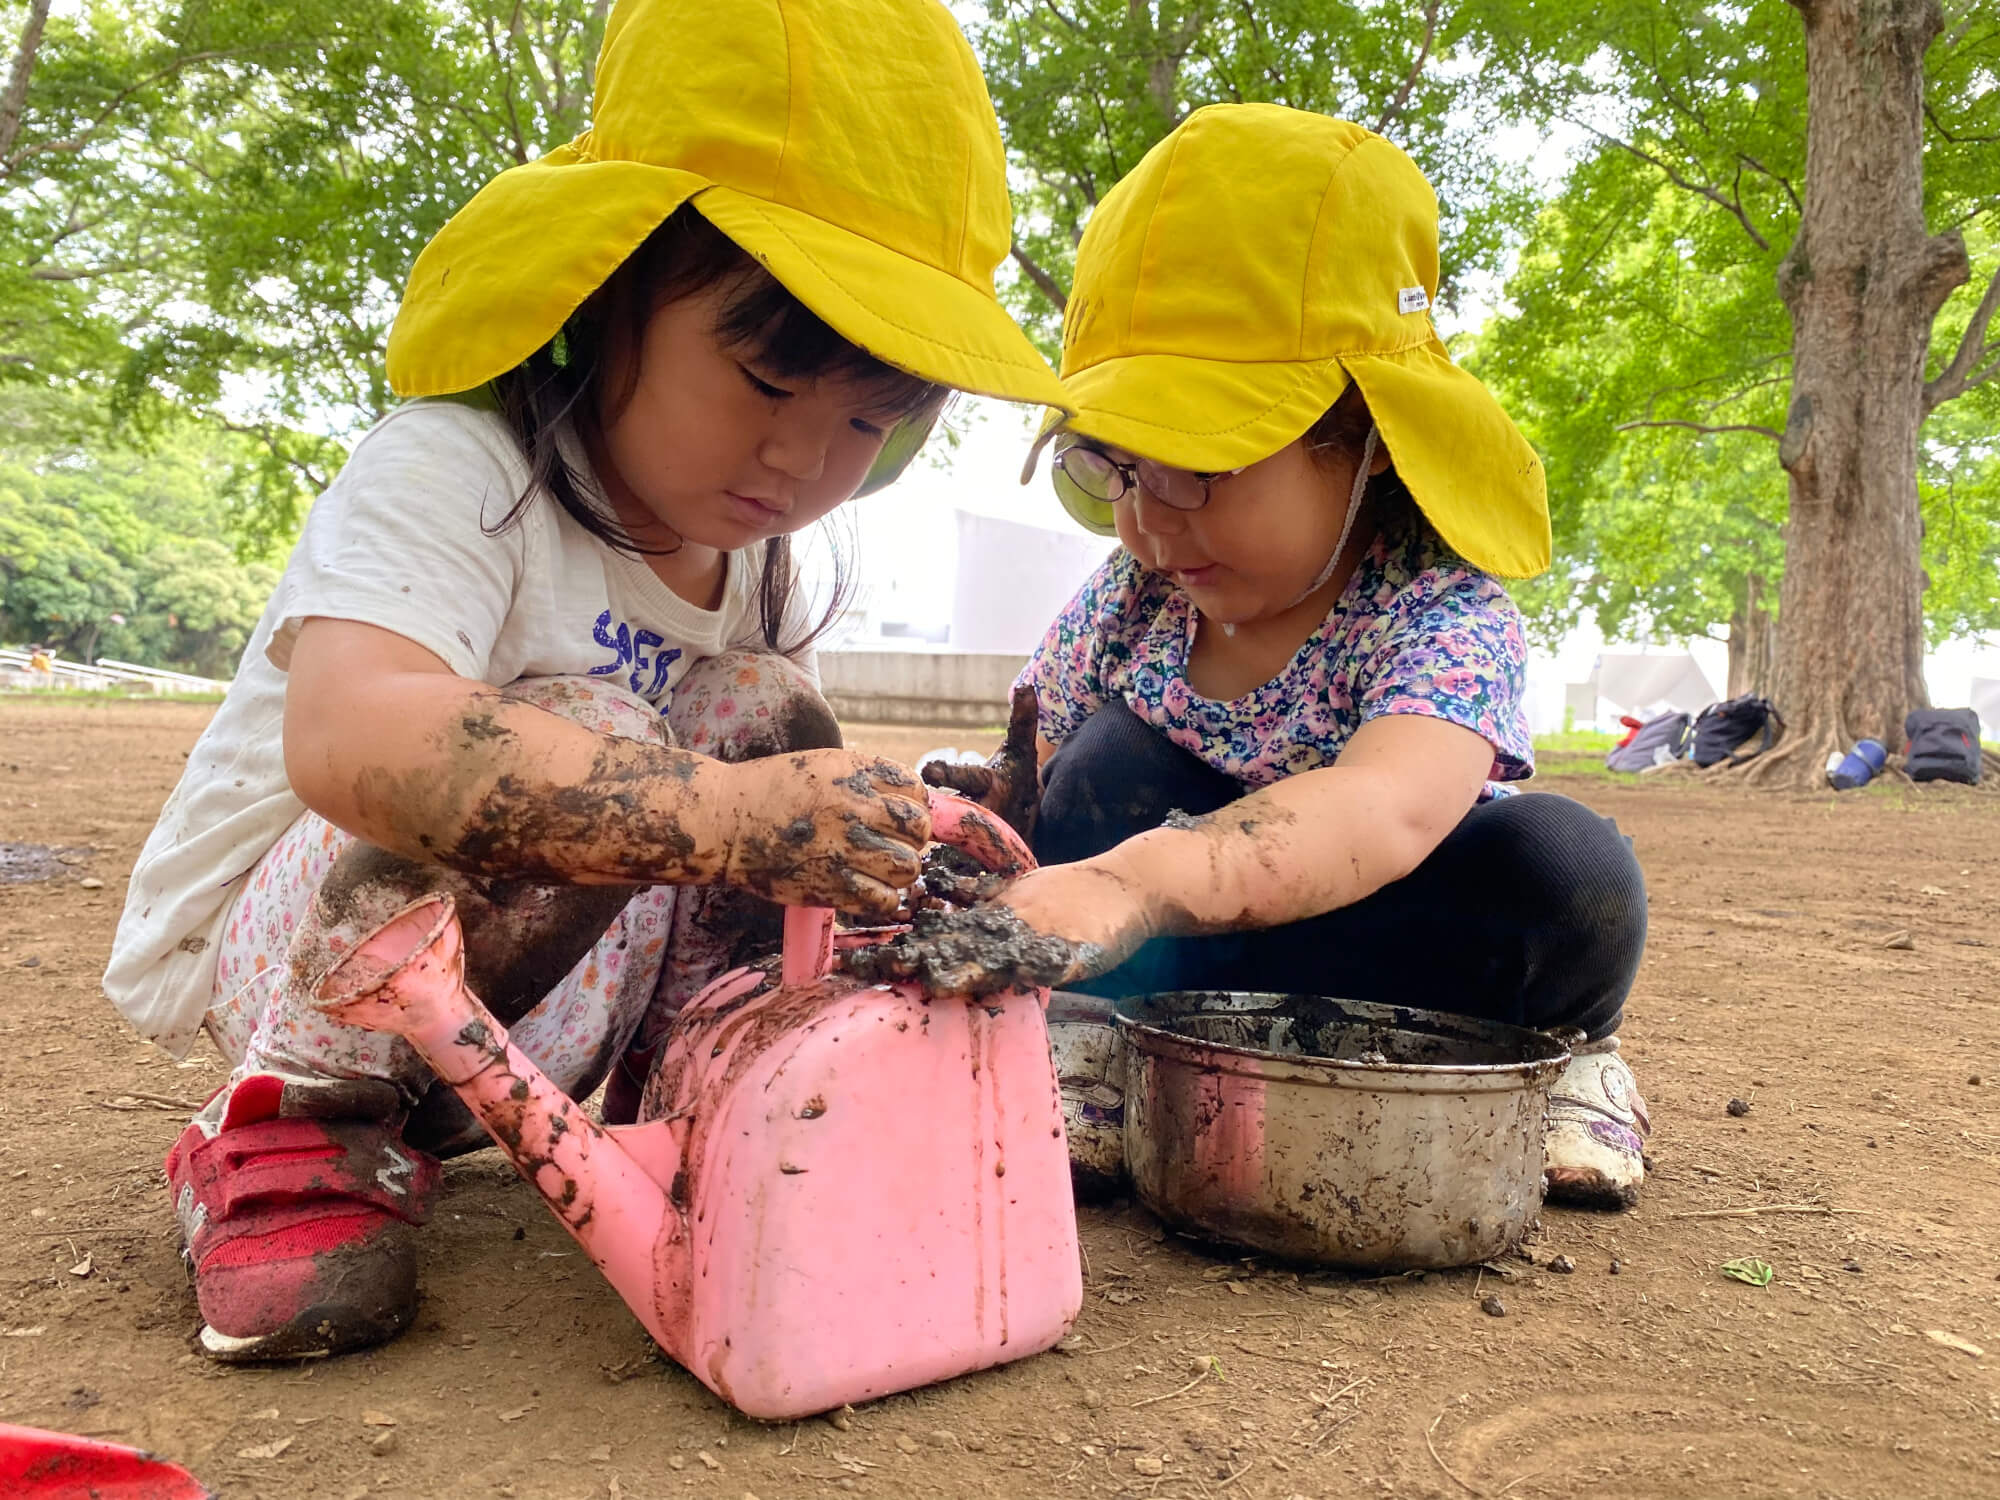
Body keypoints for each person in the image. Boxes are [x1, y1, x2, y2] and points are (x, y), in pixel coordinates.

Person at [101, 0, 1066, 1362]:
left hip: (530, 995)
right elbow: (349, 732)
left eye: (863, 421)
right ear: (615, 291)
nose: (799, 462)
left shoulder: (760, 566)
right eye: (758, 377)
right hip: (302, 964)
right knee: (608, 734)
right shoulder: (459, 467)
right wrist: (722, 815)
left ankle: (694, 1086)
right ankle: (291, 1137)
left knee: (761, 718)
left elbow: (750, 803)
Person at [917, 106, 1651, 1209]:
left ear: (1355, 434)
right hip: (1169, 970)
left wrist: (1137, 879)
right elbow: (1054, 779)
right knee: (1107, 760)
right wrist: (1008, 812)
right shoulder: (1127, 604)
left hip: (1385, 953)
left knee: (1565, 873)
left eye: (1190, 467)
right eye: (1113, 471)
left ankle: (1559, 1063)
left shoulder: (1438, 612)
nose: (1145, 523)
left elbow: (1383, 810)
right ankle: (1099, 1042)